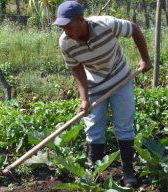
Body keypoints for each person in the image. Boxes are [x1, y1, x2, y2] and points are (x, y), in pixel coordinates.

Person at [54, 1, 152, 187]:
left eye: (68, 25)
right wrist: (84, 99)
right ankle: (94, 174)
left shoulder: (105, 24)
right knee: (93, 128)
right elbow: (77, 70)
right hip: (94, 85)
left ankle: (128, 172)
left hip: (120, 78)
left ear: (81, 19)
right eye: (62, 26)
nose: (65, 30)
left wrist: (145, 58)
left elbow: (134, 29)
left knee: (124, 125)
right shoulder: (65, 42)